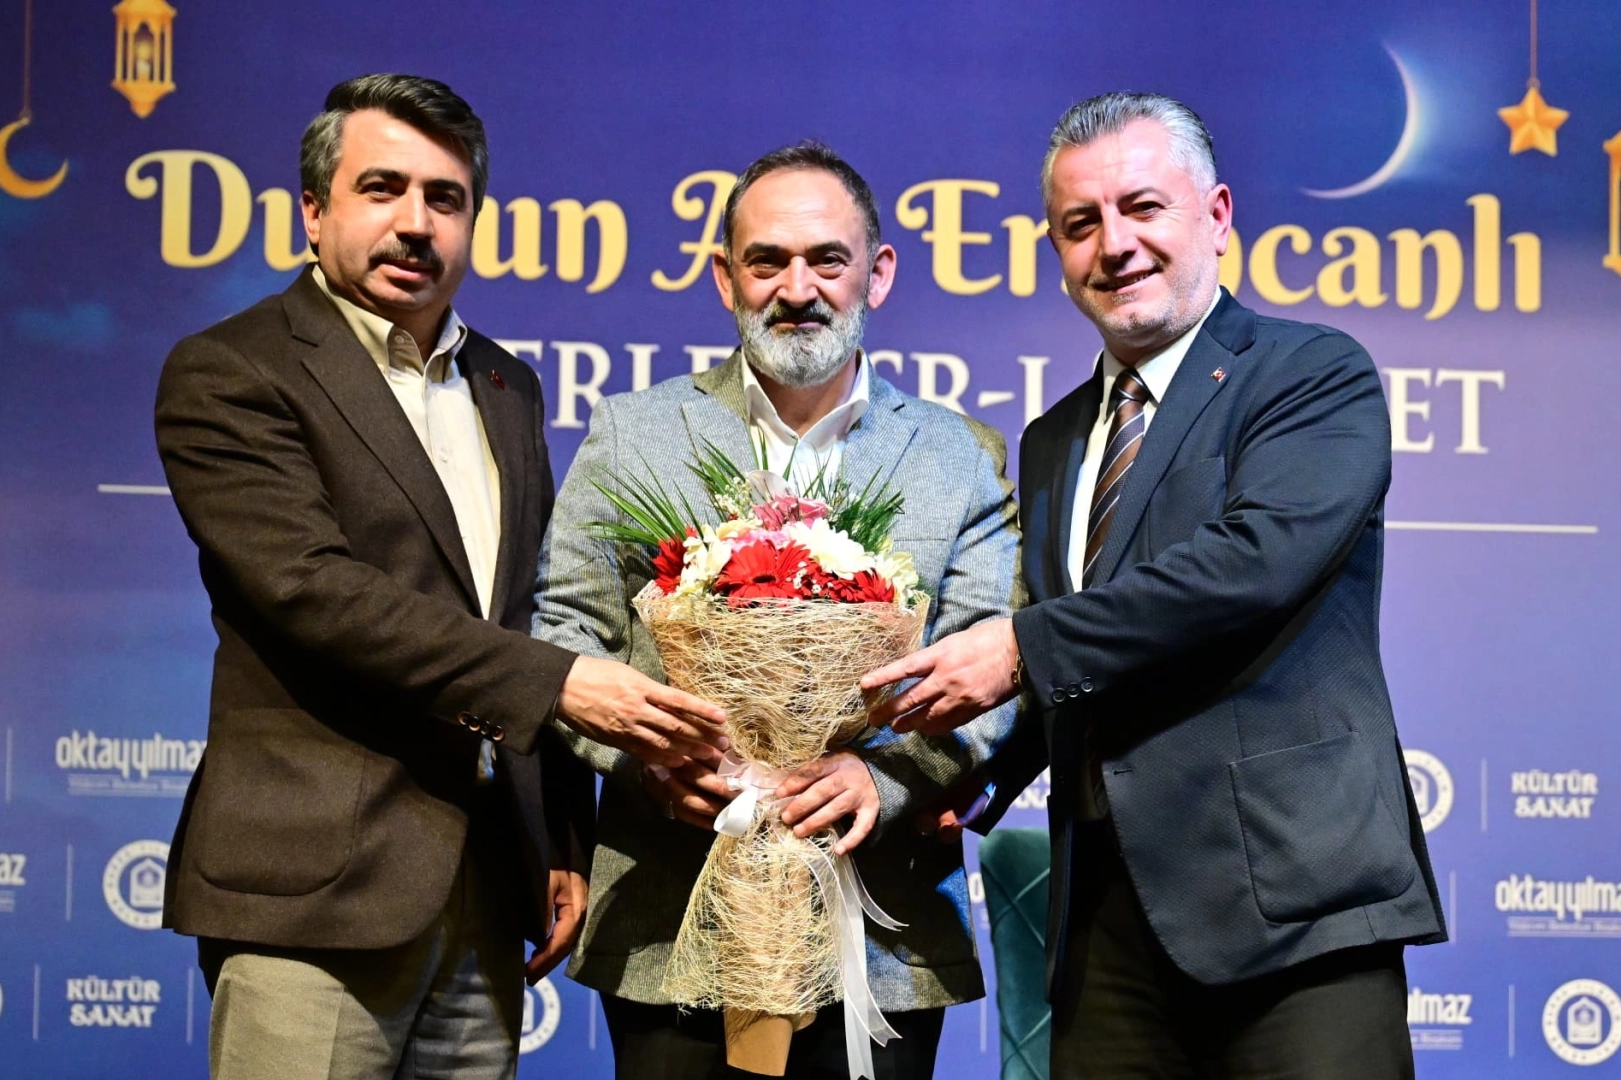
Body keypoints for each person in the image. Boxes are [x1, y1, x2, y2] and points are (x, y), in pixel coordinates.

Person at [154, 73, 726, 1080]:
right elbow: (311, 590)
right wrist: (559, 684)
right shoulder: (233, 370)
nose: (415, 222)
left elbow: (529, 613)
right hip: (313, 892)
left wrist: (557, 836)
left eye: (445, 198)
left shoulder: (506, 386)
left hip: (486, 888)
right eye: (381, 188)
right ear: (313, 211)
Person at [864, 93, 1447, 1079]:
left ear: (1215, 216)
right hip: (1105, 926)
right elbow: (1081, 656)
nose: (1115, 244)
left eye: (1142, 207)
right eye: (1080, 223)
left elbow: (1249, 566)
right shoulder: (1052, 439)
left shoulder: (1308, 374)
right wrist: (956, 774)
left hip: (1292, 910)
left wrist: (1018, 650)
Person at [532, 142, 1022, 1080]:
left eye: (827, 259)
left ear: (877, 273)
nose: (797, 290)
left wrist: (887, 780)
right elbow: (562, 635)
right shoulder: (634, 432)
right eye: (767, 262)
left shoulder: (959, 455)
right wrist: (646, 759)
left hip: (883, 935)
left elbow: (991, 673)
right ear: (726, 277)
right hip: (669, 922)